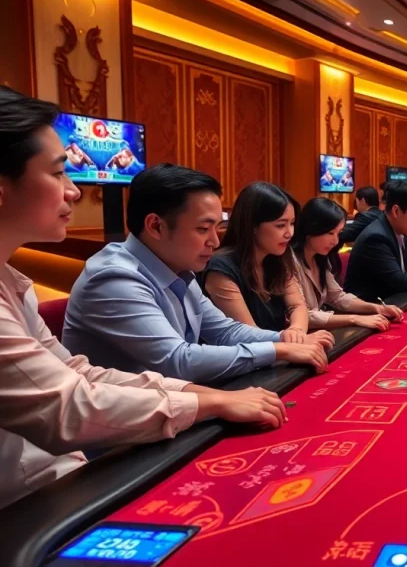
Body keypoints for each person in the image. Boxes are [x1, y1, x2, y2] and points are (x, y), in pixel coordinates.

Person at [0, 87, 289, 508]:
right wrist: (206, 402)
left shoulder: (12, 282)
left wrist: (209, 398)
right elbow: (69, 407)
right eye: (59, 172)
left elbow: (79, 373)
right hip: (28, 506)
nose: (74, 191)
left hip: (66, 473)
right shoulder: (113, 276)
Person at [63, 165, 331, 383]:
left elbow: (225, 332)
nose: (215, 241)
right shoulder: (115, 278)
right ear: (156, 226)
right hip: (120, 438)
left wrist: (286, 338)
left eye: (217, 228)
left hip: (173, 408)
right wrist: (278, 349)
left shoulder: (179, 268)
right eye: (203, 229)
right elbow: (178, 361)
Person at [203, 183, 329, 343]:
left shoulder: (278, 257)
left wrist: (296, 331)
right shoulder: (220, 267)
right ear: (253, 225)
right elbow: (247, 333)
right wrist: (291, 341)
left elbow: (297, 306)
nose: (289, 233)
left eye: (292, 223)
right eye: (280, 225)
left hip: (277, 352)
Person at [292, 197, 405, 331]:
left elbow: (338, 297)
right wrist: (355, 318)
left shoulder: (320, 257)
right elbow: (302, 315)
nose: (335, 241)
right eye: (330, 233)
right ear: (311, 229)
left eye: (339, 233)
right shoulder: (289, 261)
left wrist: (376, 308)